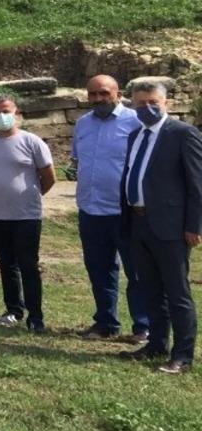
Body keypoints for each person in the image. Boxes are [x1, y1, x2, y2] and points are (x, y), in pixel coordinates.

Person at [119, 80, 202, 374]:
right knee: (150, 289)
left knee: (176, 291)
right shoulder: (135, 135)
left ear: (166, 102)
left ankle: (182, 355)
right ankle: (156, 343)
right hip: (138, 222)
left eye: (153, 102)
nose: (147, 108)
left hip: (171, 227)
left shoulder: (183, 134)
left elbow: (196, 185)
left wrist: (194, 225)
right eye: (140, 103)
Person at [71, 75, 149, 342]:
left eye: (103, 93)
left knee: (136, 271)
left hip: (126, 212)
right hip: (90, 210)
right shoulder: (82, 124)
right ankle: (105, 322)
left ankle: (143, 326)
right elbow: (78, 161)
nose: (97, 99)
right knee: (99, 269)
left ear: (117, 93)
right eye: (92, 94)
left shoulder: (136, 121)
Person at [0, 93, 56, 333]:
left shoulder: (32, 142)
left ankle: (36, 316)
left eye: (6, 111)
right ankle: (13, 310)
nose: (1, 116)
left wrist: (29, 196)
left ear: (17, 113)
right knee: (6, 265)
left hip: (26, 217)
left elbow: (49, 176)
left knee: (28, 265)